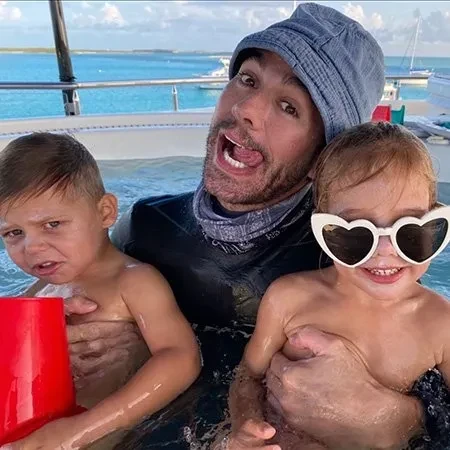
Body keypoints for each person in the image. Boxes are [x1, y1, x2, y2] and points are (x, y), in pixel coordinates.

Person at [23, 3, 450, 449]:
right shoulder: (147, 227)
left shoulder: (352, 258)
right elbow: (50, 297)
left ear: (322, 160)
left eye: (288, 106)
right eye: (247, 79)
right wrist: (65, 322)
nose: (246, 108)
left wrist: (396, 421)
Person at [227, 122, 450, 449]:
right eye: (357, 233)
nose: (385, 251)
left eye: (410, 231)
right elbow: (248, 374)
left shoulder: (440, 323)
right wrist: (245, 425)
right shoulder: (289, 299)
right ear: (322, 229)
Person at [0, 133, 201, 449]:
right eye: (14, 233)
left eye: (53, 224)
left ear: (105, 212)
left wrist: (80, 430)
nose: (32, 247)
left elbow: (181, 358)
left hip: (104, 432)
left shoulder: (134, 282)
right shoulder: (39, 289)